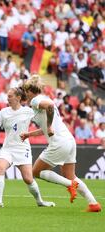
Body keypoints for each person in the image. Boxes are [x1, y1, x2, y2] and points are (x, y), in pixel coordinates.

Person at [21, 76, 101, 212]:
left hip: (58, 142)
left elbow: (50, 109)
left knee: (36, 172)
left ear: (31, 90)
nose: (25, 94)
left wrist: (49, 125)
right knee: (70, 175)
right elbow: (47, 126)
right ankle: (93, 204)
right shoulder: (45, 99)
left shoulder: (35, 100)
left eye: (26, 91)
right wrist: (29, 134)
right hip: (69, 140)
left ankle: (71, 185)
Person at [0, 88, 55, 208]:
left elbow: (44, 126)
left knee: (28, 179)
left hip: (22, 149)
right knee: (0, 169)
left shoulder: (28, 112)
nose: (7, 98)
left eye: (10, 96)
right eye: (7, 96)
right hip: (7, 149)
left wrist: (46, 127)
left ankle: (40, 201)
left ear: (18, 98)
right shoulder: (3, 112)